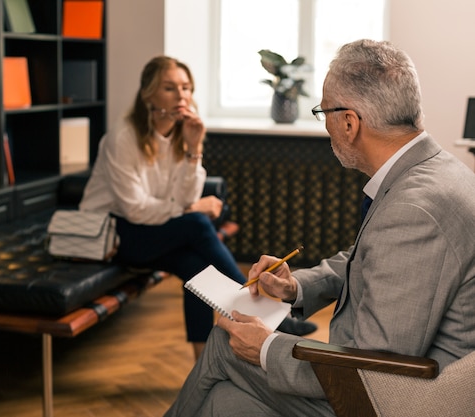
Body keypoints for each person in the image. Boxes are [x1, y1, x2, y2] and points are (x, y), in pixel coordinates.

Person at [164, 39, 475, 416]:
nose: (325, 123)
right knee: (221, 402)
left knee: (223, 340)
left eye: (322, 111)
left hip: (389, 400)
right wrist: (296, 286)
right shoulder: (439, 171)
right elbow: (374, 262)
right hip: (409, 380)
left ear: (349, 122)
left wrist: (266, 348)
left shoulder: (413, 208)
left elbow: (371, 365)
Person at [79, 56, 315, 360]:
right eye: (170, 88)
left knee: (198, 271)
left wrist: (195, 148)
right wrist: (192, 208)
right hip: (112, 235)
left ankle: (202, 361)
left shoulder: (180, 134)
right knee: (197, 225)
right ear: (148, 94)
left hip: (151, 229)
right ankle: (269, 314)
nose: (181, 96)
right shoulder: (122, 138)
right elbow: (136, 210)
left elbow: (184, 195)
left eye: (186, 88)